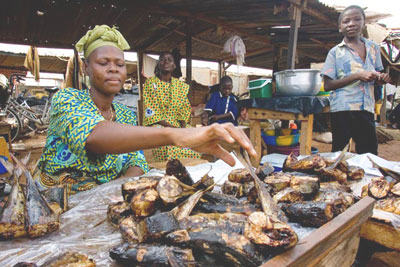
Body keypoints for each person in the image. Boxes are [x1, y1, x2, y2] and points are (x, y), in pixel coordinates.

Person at [35, 25, 256, 195]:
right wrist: (175, 135)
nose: (113, 68)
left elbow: (137, 162)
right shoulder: (67, 99)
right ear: (85, 68)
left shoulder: (125, 115)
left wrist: (116, 189)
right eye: (103, 62)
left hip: (102, 202)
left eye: (120, 64)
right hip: (58, 202)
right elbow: (93, 136)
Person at [321, 5, 391, 155]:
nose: (351, 23)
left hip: (366, 108)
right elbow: (327, 85)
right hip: (342, 110)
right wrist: (357, 76)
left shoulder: (373, 48)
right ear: (340, 27)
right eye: (346, 21)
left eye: (357, 19)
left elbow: (378, 73)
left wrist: (381, 79)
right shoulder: (335, 52)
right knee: (340, 153)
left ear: (364, 23)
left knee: (369, 152)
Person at [142, 51, 200, 162]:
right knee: (169, 145)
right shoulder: (151, 83)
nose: (166, 62)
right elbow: (151, 111)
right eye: (163, 59)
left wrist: (183, 128)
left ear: (174, 66)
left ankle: (189, 169)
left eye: (169, 60)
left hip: (177, 125)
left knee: (196, 139)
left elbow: (184, 108)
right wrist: (174, 130)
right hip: (159, 124)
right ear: (159, 63)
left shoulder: (180, 86)